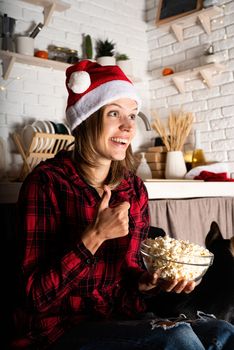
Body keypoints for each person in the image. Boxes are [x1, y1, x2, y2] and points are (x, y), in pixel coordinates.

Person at [10, 60, 234, 350]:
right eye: (114, 113)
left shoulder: (133, 189)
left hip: (120, 318)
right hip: (60, 328)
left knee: (224, 331)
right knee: (177, 338)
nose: (128, 126)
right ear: (87, 120)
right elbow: (36, 297)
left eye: (132, 115)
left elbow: (128, 281)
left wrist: (149, 283)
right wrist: (94, 236)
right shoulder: (46, 183)